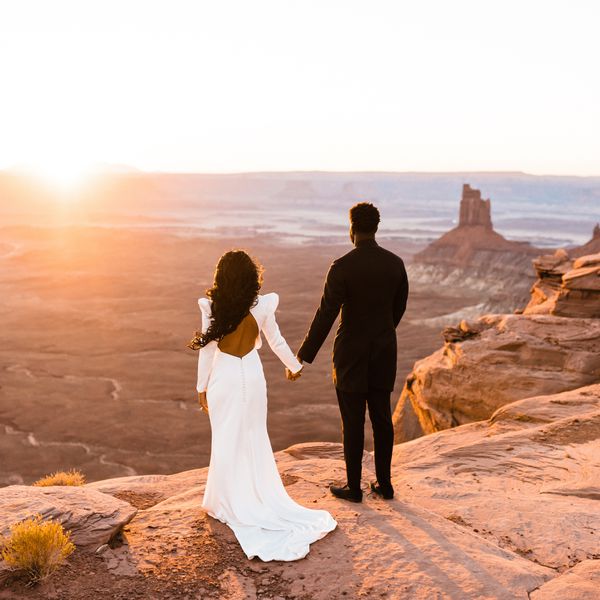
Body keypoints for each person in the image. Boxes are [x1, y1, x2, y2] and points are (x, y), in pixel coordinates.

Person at [188, 250, 337, 561]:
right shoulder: (264, 305)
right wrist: (294, 366)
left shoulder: (213, 307)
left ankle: (225, 502)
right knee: (254, 436)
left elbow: (207, 351)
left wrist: (201, 387)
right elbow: (276, 340)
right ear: (251, 276)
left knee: (227, 437)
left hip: (224, 377)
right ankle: (254, 497)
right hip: (252, 375)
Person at [296, 202, 409, 503]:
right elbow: (398, 309)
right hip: (384, 352)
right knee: (382, 418)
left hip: (350, 355)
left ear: (351, 228)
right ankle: (385, 485)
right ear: (376, 227)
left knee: (353, 421)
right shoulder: (395, 264)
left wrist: (304, 354)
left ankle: (353, 487)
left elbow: (326, 314)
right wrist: (382, 333)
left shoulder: (342, 267)